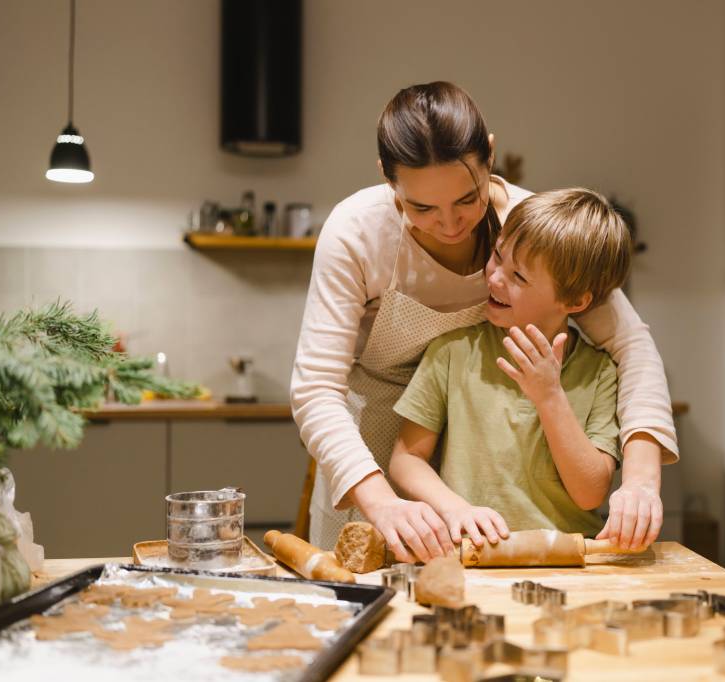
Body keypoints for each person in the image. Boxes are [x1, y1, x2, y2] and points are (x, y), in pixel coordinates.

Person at [290, 81, 678, 562]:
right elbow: (315, 389)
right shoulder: (356, 231)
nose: (451, 226)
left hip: (478, 438)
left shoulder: (529, 230)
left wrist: (640, 482)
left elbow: (632, 346)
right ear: (388, 179)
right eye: (421, 207)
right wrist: (382, 501)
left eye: (467, 199)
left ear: (489, 156)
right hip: (371, 438)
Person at [389, 189, 629, 544]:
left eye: (519, 277)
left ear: (575, 301)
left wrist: (550, 397)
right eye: (498, 256)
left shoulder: (600, 373)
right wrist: (456, 509)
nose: (495, 278)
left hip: (569, 562)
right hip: (473, 555)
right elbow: (406, 459)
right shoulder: (452, 353)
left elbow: (590, 493)